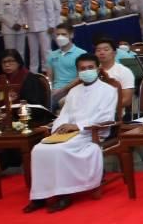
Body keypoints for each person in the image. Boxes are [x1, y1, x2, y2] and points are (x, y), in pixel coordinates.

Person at [22, 55, 118, 213]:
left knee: (59, 150)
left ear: (98, 68)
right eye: (82, 69)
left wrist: (77, 126)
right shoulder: (74, 91)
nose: (86, 71)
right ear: (77, 71)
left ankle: (64, 195)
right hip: (67, 133)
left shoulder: (108, 90)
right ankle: (39, 197)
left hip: (90, 132)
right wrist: (60, 127)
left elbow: (106, 117)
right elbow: (64, 115)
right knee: (38, 149)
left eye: (90, 68)